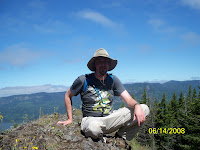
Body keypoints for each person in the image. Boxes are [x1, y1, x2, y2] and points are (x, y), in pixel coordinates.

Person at [57, 48, 150, 141]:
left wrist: (137, 106)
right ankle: (101, 138)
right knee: (94, 128)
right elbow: (67, 95)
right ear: (95, 65)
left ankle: (121, 138)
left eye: (105, 61)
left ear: (109, 64)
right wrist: (70, 119)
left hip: (110, 118)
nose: (103, 64)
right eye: (99, 61)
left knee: (144, 109)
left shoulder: (113, 79)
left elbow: (128, 99)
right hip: (91, 120)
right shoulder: (83, 80)